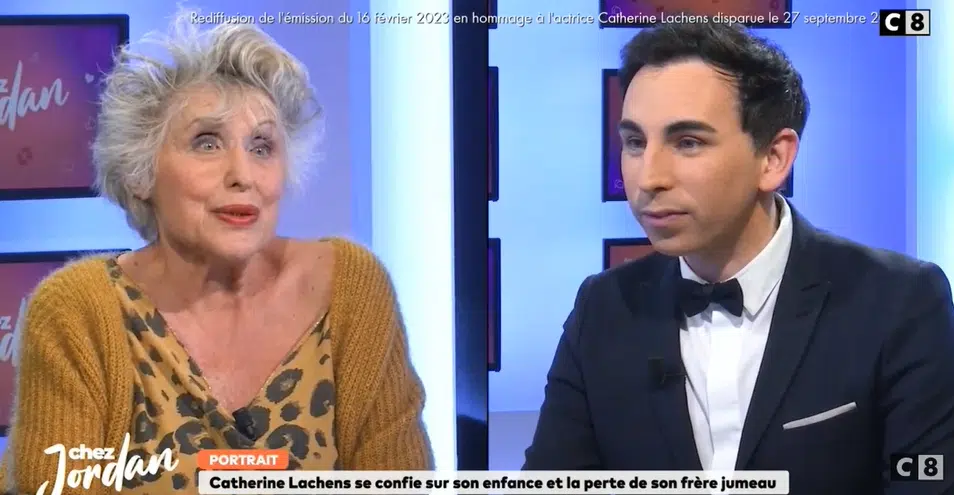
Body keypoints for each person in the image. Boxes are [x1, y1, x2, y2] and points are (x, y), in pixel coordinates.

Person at [0, 10, 433, 494]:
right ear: (140, 173)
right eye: (206, 143)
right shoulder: (76, 311)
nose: (243, 175)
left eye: (262, 147)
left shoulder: (352, 289)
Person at [524, 21, 954, 493]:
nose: (648, 178)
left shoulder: (898, 302)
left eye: (688, 142)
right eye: (635, 142)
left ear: (773, 158)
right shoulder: (603, 308)